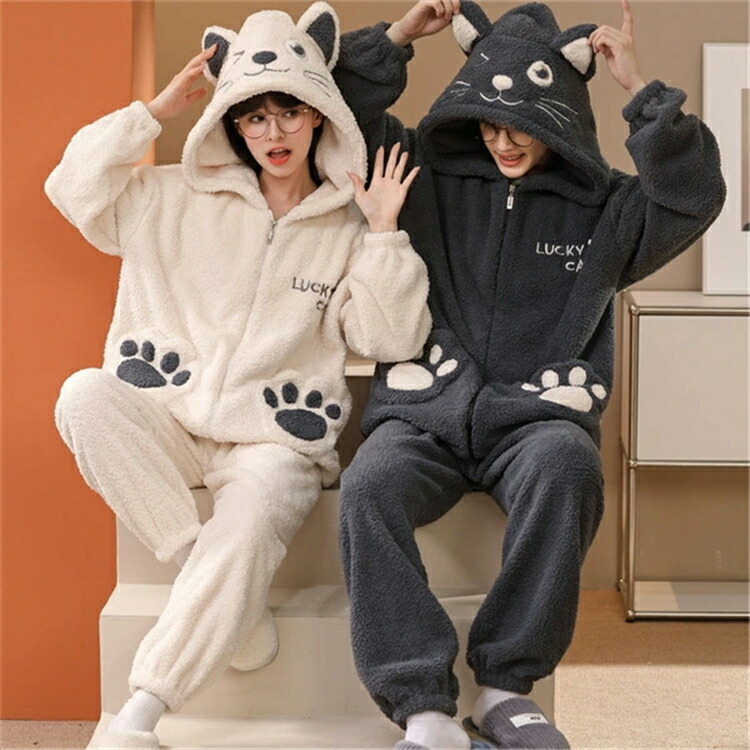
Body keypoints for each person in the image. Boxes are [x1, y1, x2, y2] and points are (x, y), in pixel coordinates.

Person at [333, 1, 726, 748]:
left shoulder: (607, 209)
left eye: (520, 126)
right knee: (367, 486)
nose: (502, 140)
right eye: (486, 123)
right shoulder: (421, 175)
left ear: (560, 118)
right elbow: (337, 112)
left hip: (536, 418)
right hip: (422, 412)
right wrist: (397, 38)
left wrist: (640, 89)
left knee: (568, 464)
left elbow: (693, 194)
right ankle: (422, 706)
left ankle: (505, 688)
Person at [46, 3, 430, 748]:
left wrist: (384, 233)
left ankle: (139, 715)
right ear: (231, 123)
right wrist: (151, 114)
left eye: (290, 112)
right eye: (255, 117)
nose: (274, 133)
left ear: (319, 115)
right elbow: (71, 188)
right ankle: (207, 571)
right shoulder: (167, 197)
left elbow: (390, 337)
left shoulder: (348, 224)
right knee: (81, 395)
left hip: (273, 443)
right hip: (169, 415)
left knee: (250, 521)